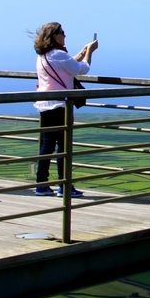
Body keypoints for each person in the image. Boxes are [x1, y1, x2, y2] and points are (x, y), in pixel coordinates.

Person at [33, 22, 97, 197]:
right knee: (63, 147)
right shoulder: (59, 55)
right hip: (60, 106)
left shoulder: (43, 56)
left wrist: (81, 53)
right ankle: (65, 185)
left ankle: (42, 184)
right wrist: (90, 53)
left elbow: (66, 65)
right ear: (54, 35)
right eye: (62, 33)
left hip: (44, 104)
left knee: (46, 146)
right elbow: (82, 69)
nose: (65, 36)